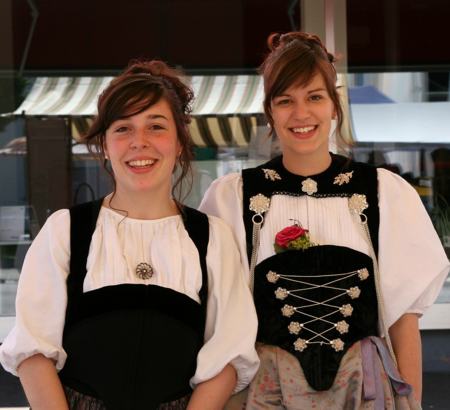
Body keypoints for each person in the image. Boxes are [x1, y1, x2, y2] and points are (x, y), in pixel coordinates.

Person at [199, 32, 449, 409]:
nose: (301, 114)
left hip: (362, 392)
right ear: (270, 112)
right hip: (267, 395)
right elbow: (220, 328)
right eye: (286, 101)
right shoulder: (233, 197)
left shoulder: (383, 193)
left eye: (314, 97)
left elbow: (403, 324)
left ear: (334, 105)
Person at [0, 60, 259, 410]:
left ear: (179, 142)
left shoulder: (213, 238)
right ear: (105, 145)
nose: (140, 142)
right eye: (123, 128)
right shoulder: (65, 231)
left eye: (156, 126)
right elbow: (33, 353)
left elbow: (228, 356)